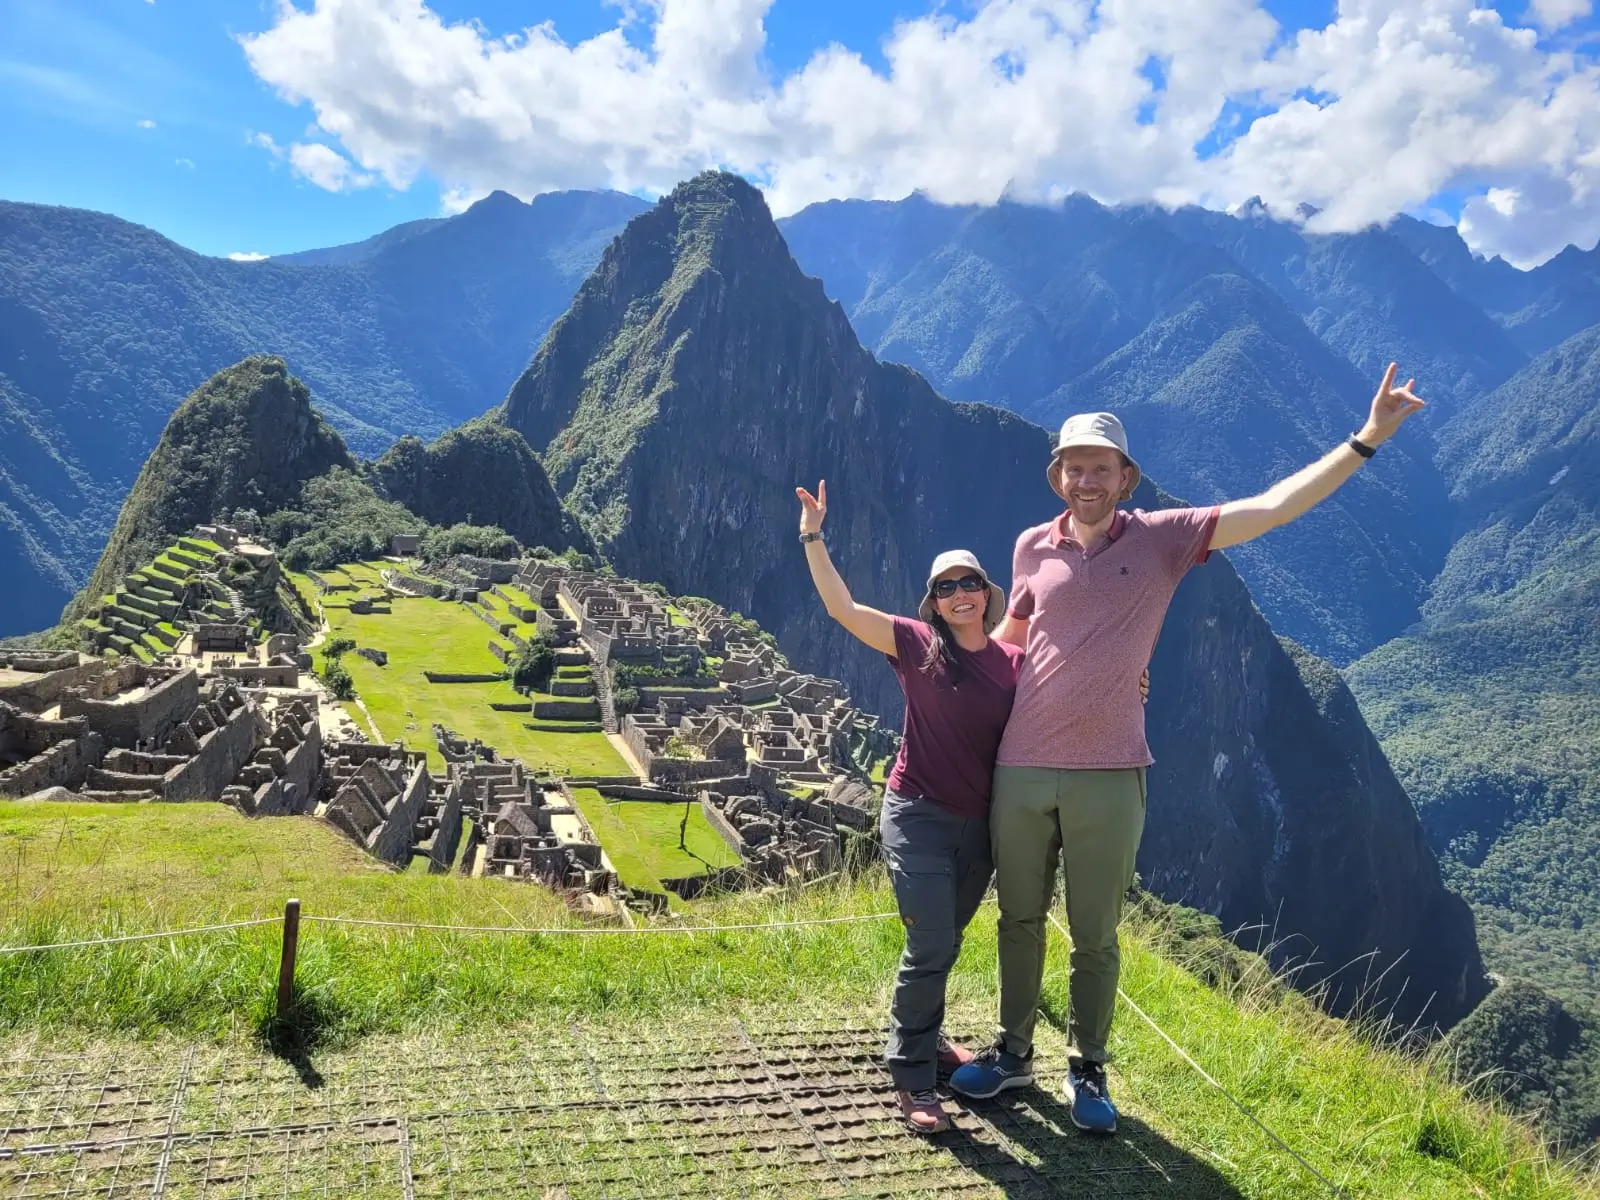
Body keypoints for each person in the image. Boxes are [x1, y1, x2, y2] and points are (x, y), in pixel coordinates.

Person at [950, 364, 1428, 1136]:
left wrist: (1367, 438)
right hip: (1025, 763)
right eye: (1074, 469)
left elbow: (1272, 509)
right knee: (1018, 917)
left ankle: (1089, 1066)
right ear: (1058, 477)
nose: (1086, 481)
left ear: (1126, 477)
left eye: (1101, 469)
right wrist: (938, 665)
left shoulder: (1167, 539)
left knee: (1097, 932)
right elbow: (1013, 642)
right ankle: (1011, 1052)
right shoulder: (1031, 548)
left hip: (1111, 769)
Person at [796, 478, 1022, 1135]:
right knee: (928, 943)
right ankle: (913, 1078)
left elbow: (1067, 693)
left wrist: (1134, 681)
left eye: (968, 584)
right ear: (933, 602)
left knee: (945, 944)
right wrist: (813, 534)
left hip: (978, 827)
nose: (958, 595)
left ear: (986, 593)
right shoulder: (914, 645)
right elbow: (842, 608)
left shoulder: (1013, 662)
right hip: (916, 813)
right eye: (945, 588)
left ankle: (928, 1038)